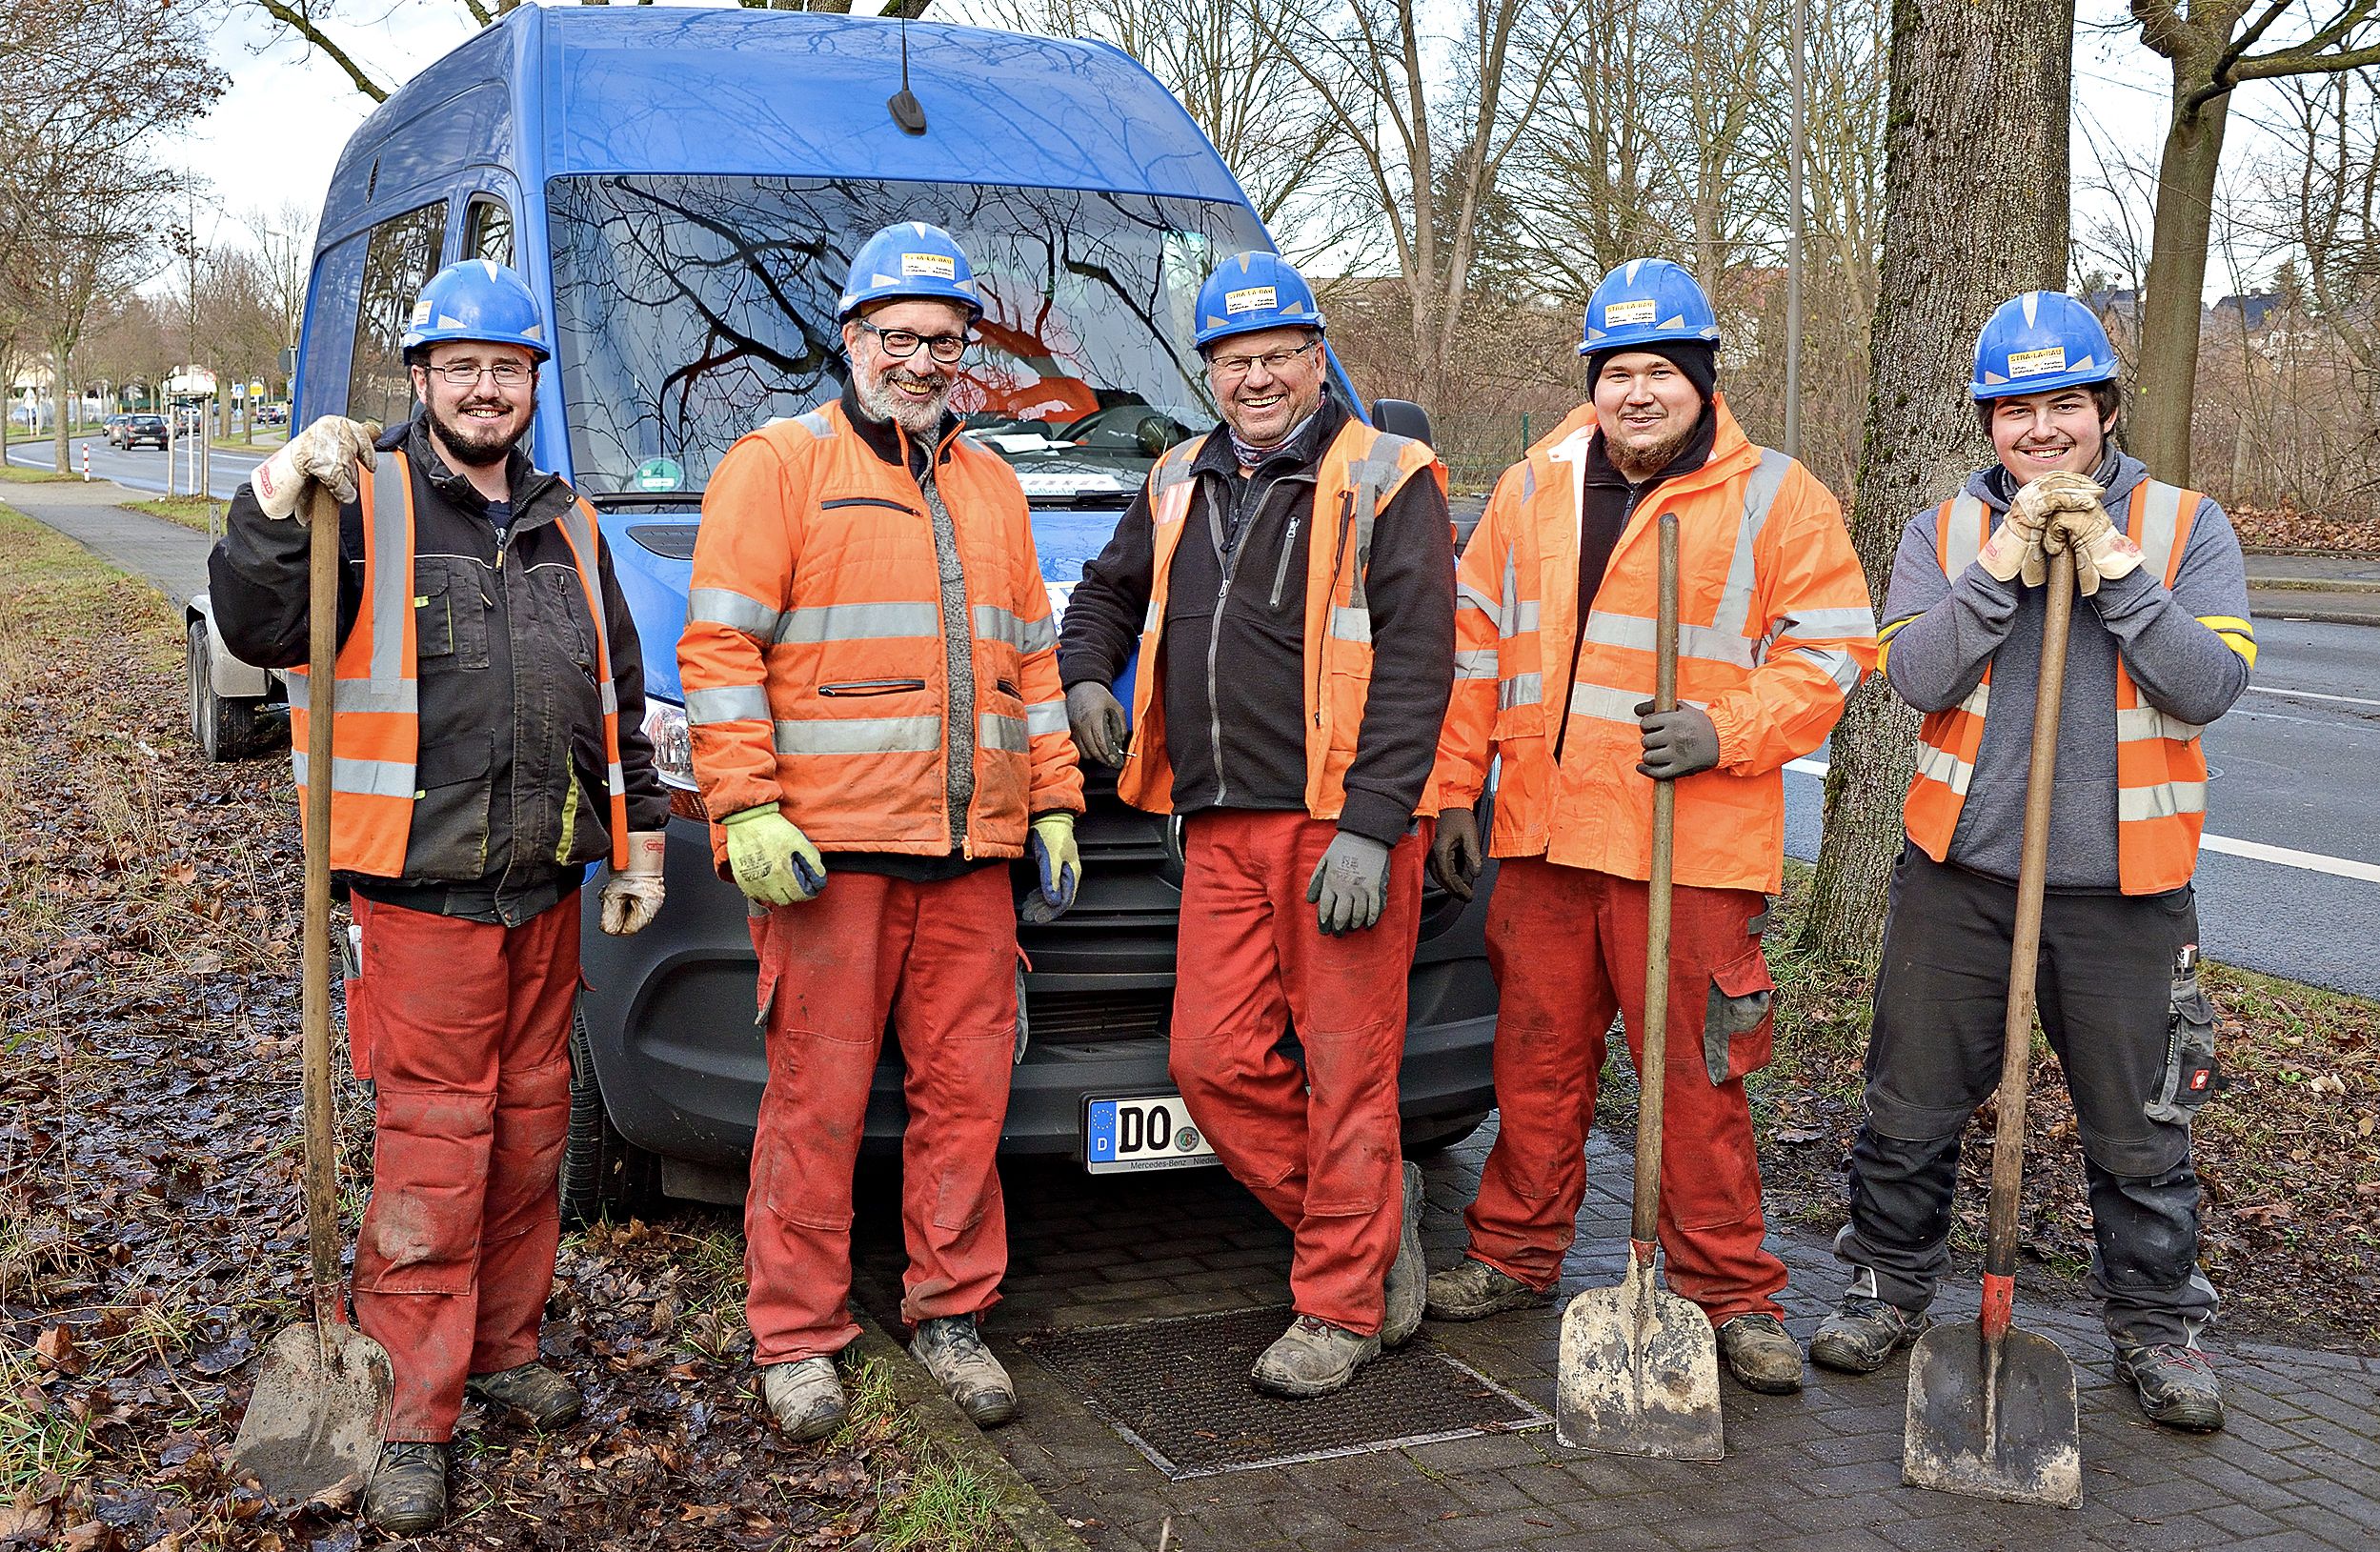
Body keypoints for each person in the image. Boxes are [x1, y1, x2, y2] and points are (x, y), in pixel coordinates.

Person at [207, 259, 671, 1534]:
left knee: (531, 1140)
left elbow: (619, 698)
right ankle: (413, 1407)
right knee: (434, 1153)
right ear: (420, 378)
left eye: (505, 368)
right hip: (423, 901)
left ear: (531, 385)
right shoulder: (360, 504)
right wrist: (267, 499)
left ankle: (505, 1348)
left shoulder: (569, 523)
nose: (483, 387)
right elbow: (257, 627)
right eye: (459, 365)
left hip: (547, 890)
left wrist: (643, 845)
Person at [1422, 258, 1876, 1397]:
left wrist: (1725, 727)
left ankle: (1731, 1293)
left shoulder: (1775, 493)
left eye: (1660, 372)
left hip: (1691, 847)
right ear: (1591, 379)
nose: (1637, 393)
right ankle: (1515, 1256)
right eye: (1616, 371)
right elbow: (1469, 648)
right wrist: (1450, 792)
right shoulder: (1533, 487)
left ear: (1702, 380)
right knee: (1531, 1067)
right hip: (1540, 837)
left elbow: (1831, 651)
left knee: (1698, 1084)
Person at [1810, 292, 2251, 1432]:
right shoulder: (1942, 535)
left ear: (2104, 408)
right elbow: (1916, 680)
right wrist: (2002, 567)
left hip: (2125, 893)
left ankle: (2159, 1331)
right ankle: (1885, 1286)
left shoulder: (2182, 524)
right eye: (2015, 409)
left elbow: (2206, 687)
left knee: (2139, 1127)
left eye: (2064, 403)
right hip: (1962, 878)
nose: (2040, 430)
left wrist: (2115, 568)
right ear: (1986, 423)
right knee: (1907, 1108)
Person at [678, 221, 1083, 1442]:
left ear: (967, 353)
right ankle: (797, 1336)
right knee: (815, 1101)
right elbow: (719, 650)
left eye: (944, 341)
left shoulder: (991, 481)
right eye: (897, 337)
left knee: (968, 1101)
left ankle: (950, 1315)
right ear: (851, 338)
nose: (920, 359)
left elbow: (1033, 662)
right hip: (830, 861)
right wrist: (743, 803)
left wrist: (1055, 801)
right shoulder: (776, 464)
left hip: (970, 861)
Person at [1058, 252, 1455, 1399]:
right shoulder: (1179, 475)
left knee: (1345, 1072)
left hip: (1339, 827)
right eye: (1234, 361)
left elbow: (1423, 664)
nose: (1258, 378)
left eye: (1278, 354)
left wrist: (1375, 826)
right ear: (1209, 375)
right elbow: (1104, 594)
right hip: (1219, 825)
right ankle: (1372, 1220)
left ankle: (1339, 1305)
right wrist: (1089, 673)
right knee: (1212, 1061)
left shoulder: (1390, 474)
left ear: (1316, 354)